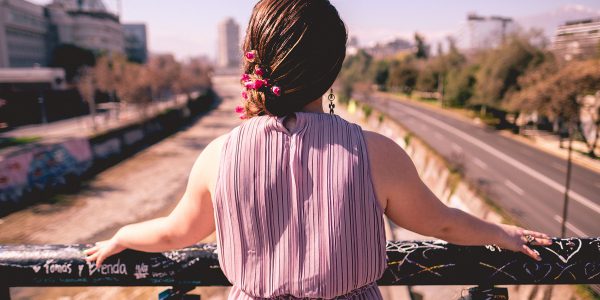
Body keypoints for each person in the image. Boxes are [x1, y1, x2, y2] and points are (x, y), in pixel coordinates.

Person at [84, 0, 552, 298]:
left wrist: (123, 234)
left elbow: (175, 232)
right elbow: (443, 222)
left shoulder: (219, 157)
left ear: (255, 60)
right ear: (333, 71)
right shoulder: (376, 154)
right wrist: (502, 233)